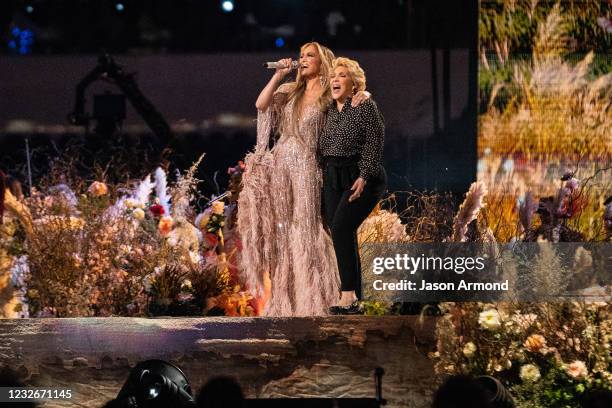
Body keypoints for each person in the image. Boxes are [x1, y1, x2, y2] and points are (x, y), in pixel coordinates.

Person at [237, 42, 369, 316]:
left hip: (308, 167)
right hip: (281, 166)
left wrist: (362, 94)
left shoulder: (328, 94)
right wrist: (277, 76)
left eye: (310, 55)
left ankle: (317, 297)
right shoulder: (289, 91)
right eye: (301, 56)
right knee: (285, 232)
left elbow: (354, 96)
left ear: (322, 62)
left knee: (306, 226)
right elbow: (261, 105)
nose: (303, 59)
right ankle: (288, 301)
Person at [319, 57, 387, 314]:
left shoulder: (364, 106)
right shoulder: (327, 109)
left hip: (360, 175)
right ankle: (355, 296)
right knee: (342, 232)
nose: (336, 79)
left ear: (354, 84)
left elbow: (375, 140)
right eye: (334, 75)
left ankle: (348, 294)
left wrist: (364, 175)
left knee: (340, 228)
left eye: (343, 75)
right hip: (333, 175)